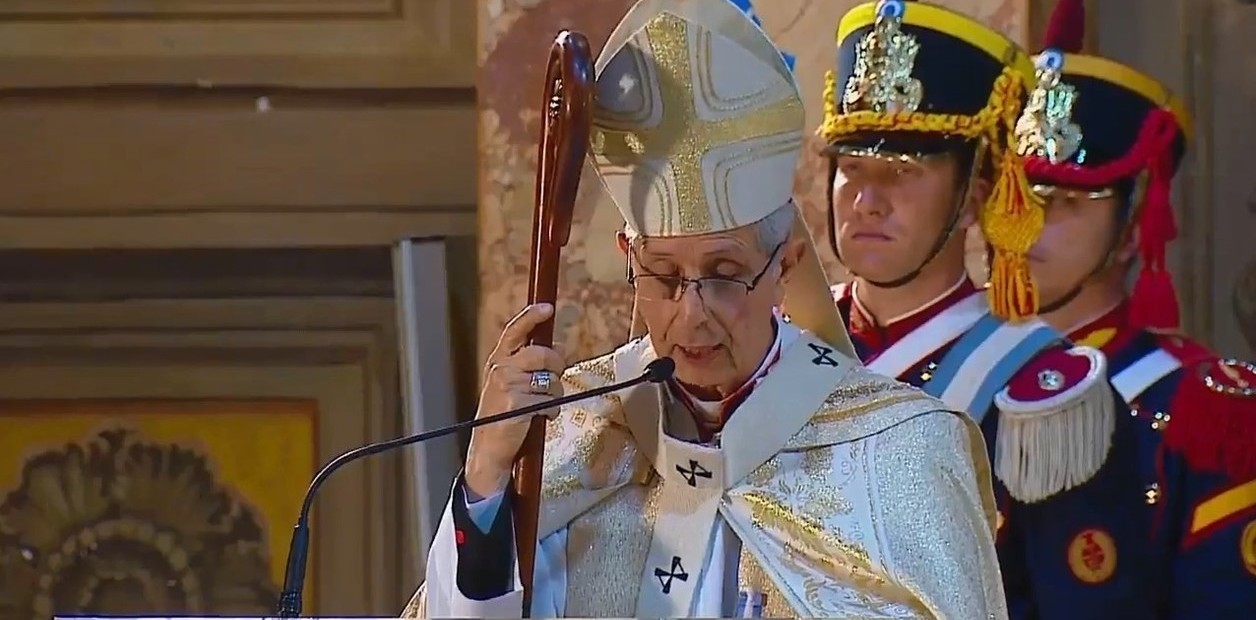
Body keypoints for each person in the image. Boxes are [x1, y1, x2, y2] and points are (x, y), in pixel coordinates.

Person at [401, 0, 1007, 617]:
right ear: (627, 257)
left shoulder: (904, 450)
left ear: (786, 266)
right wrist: (485, 481)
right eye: (662, 277)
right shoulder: (576, 428)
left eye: (723, 276)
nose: (691, 316)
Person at [820, 1, 1163, 617]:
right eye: (850, 168)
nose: (868, 200)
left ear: (976, 196)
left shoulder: (1040, 398)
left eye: (901, 172)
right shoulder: (779, 347)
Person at [1016, 0, 1256, 616]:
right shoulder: (958, 373)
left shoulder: (1201, 411)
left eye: (1066, 204)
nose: (1028, 225)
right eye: (1017, 197)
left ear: (1131, 229)